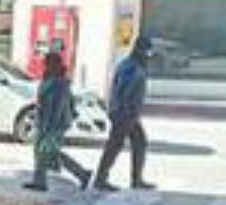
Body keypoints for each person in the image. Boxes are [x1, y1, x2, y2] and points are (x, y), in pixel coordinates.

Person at [93, 36, 155, 192]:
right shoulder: (131, 67)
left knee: (138, 142)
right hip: (124, 113)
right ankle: (101, 179)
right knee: (115, 145)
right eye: (148, 52)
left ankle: (135, 179)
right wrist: (124, 111)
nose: (149, 56)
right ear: (141, 50)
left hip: (128, 113)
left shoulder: (131, 65)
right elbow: (123, 91)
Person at [23, 50, 91, 192]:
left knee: (45, 151)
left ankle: (79, 174)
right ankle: (80, 174)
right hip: (48, 122)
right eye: (45, 63)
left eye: (48, 63)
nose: (46, 66)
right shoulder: (52, 79)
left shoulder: (59, 83)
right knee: (48, 152)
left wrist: (48, 126)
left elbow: (58, 107)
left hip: (54, 124)